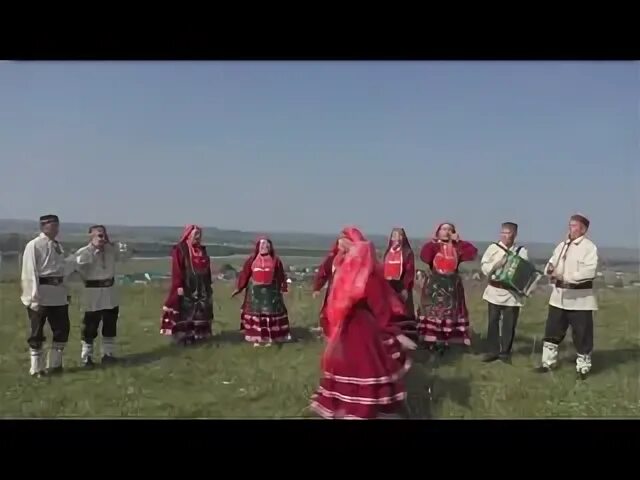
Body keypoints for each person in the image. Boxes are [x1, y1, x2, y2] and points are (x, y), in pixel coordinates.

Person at [309, 227, 416, 420]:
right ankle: (344, 405)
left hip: (364, 330)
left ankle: (366, 409)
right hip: (345, 328)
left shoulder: (368, 274)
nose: (341, 243)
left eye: (346, 240)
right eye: (340, 239)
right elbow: (334, 301)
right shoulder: (342, 267)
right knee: (342, 366)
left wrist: (395, 332)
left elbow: (380, 306)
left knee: (365, 368)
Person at [537, 214, 598, 380]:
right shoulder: (562, 246)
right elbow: (552, 263)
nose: (570, 228)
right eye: (570, 225)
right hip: (559, 298)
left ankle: (583, 368)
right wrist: (549, 269)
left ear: (583, 229)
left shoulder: (589, 248)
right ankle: (548, 363)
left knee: (582, 334)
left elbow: (589, 272)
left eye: (574, 226)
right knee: (552, 331)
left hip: (580, 300)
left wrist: (566, 277)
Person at [20, 214, 74, 377]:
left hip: (57, 294)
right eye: (53, 225)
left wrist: (66, 292)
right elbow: (29, 271)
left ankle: (56, 364)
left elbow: (61, 270)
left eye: (57, 225)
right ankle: (36, 368)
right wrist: (32, 297)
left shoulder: (57, 246)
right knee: (37, 331)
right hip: (41, 293)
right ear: (44, 226)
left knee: (62, 329)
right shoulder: (34, 245)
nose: (56, 229)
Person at [416, 222, 478, 352]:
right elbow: (424, 257)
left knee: (450, 313)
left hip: (452, 285)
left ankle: (447, 341)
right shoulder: (433, 246)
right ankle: (430, 341)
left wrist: (459, 241)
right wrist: (433, 242)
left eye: (450, 229)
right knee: (433, 312)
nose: (447, 232)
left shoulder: (457, 247)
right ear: (438, 231)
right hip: (435, 284)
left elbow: (472, 253)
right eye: (444, 229)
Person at [71, 225, 123, 368]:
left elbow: (126, 254)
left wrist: (111, 244)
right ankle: (86, 357)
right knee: (90, 326)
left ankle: (108, 354)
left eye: (104, 235)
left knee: (110, 323)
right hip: (92, 293)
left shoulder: (111, 250)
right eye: (99, 235)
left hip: (109, 292)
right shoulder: (84, 253)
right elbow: (73, 268)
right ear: (91, 237)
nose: (103, 238)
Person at [480, 222, 529, 363]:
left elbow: (524, 269)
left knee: (509, 323)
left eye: (509, 233)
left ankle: (505, 353)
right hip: (494, 290)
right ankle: (492, 351)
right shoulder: (493, 248)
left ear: (514, 234)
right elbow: (484, 266)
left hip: (511, 293)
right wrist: (496, 266)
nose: (505, 236)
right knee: (493, 321)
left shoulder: (521, 251)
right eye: (503, 233)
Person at [232, 237, 291, 346]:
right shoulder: (252, 260)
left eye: (267, 246)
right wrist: (239, 288)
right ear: (258, 247)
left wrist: (283, 287)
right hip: (255, 293)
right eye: (263, 246)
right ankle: (256, 339)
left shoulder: (275, 260)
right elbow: (245, 274)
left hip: (271, 294)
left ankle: (270, 338)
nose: (265, 247)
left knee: (270, 316)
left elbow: (280, 275)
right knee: (257, 315)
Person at [160, 225, 214, 345]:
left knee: (202, 310)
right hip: (187, 285)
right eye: (195, 234)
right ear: (188, 235)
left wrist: (209, 284)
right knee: (186, 311)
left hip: (202, 287)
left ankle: (200, 336)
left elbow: (207, 269)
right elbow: (177, 269)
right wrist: (178, 285)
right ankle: (183, 337)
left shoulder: (202, 250)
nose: (198, 237)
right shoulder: (180, 250)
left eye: (199, 235)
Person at [382, 227, 417, 340]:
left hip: (401, 285)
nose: (396, 238)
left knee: (403, 310)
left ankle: (407, 335)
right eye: (394, 236)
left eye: (399, 236)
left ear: (403, 238)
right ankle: (389, 334)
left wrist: (405, 288)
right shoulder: (388, 252)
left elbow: (410, 271)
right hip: (388, 285)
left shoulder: (407, 253)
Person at [311, 239, 341, 337]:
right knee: (328, 312)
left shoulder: (355, 258)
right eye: (341, 244)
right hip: (334, 290)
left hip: (349, 292)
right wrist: (317, 287)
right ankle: (329, 333)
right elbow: (323, 272)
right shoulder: (332, 258)